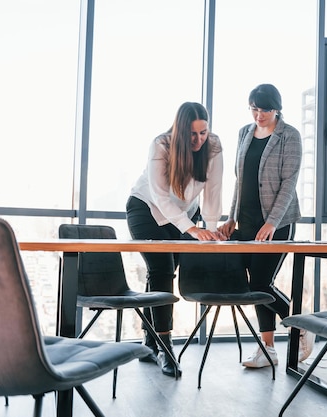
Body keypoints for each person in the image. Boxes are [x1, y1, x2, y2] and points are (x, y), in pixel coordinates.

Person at [126, 101, 225, 377]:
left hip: (182, 213)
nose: (199, 140)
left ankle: (150, 339)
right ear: (180, 131)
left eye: (203, 133)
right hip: (145, 208)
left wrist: (211, 228)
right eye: (192, 135)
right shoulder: (161, 145)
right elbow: (159, 196)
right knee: (162, 269)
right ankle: (165, 348)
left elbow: (214, 190)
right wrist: (192, 230)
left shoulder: (214, 146)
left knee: (164, 271)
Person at [218, 84, 313, 368]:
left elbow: (289, 183)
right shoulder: (244, 133)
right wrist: (231, 216)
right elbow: (240, 179)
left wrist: (271, 222)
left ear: (277, 109)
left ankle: (300, 324)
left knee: (260, 282)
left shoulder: (289, 136)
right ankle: (267, 348)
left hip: (277, 223)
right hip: (244, 222)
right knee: (254, 285)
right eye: (254, 109)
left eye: (265, 110)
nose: (259, 116)